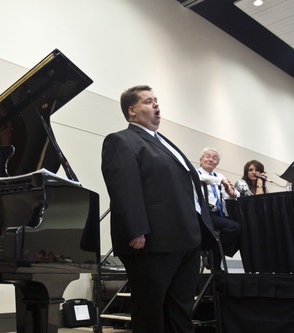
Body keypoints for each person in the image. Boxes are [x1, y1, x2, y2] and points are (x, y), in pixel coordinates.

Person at [101, 85, 216, 333]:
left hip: (185, 239)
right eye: (148, 101)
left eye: (156, 100)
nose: (156, 105)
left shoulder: (162, 141)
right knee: (150, 313)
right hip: (152, 242)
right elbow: (123, 187)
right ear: (131, 111)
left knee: (180, 310)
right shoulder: (121, 140)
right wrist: (135, 230)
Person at [197, 147, 241, 272]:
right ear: (201, 160)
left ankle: (212, 256)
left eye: (214, 158)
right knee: (233, 227)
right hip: (203, 213)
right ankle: (213, 258)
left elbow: (234, 194)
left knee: (242, 228)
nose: (211, 159)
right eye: (208, 156)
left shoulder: (219, 175)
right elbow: (204, 180)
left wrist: (232, 193)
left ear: (217, 163)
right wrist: (222, 181)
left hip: (218, 212)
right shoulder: (196, 173)